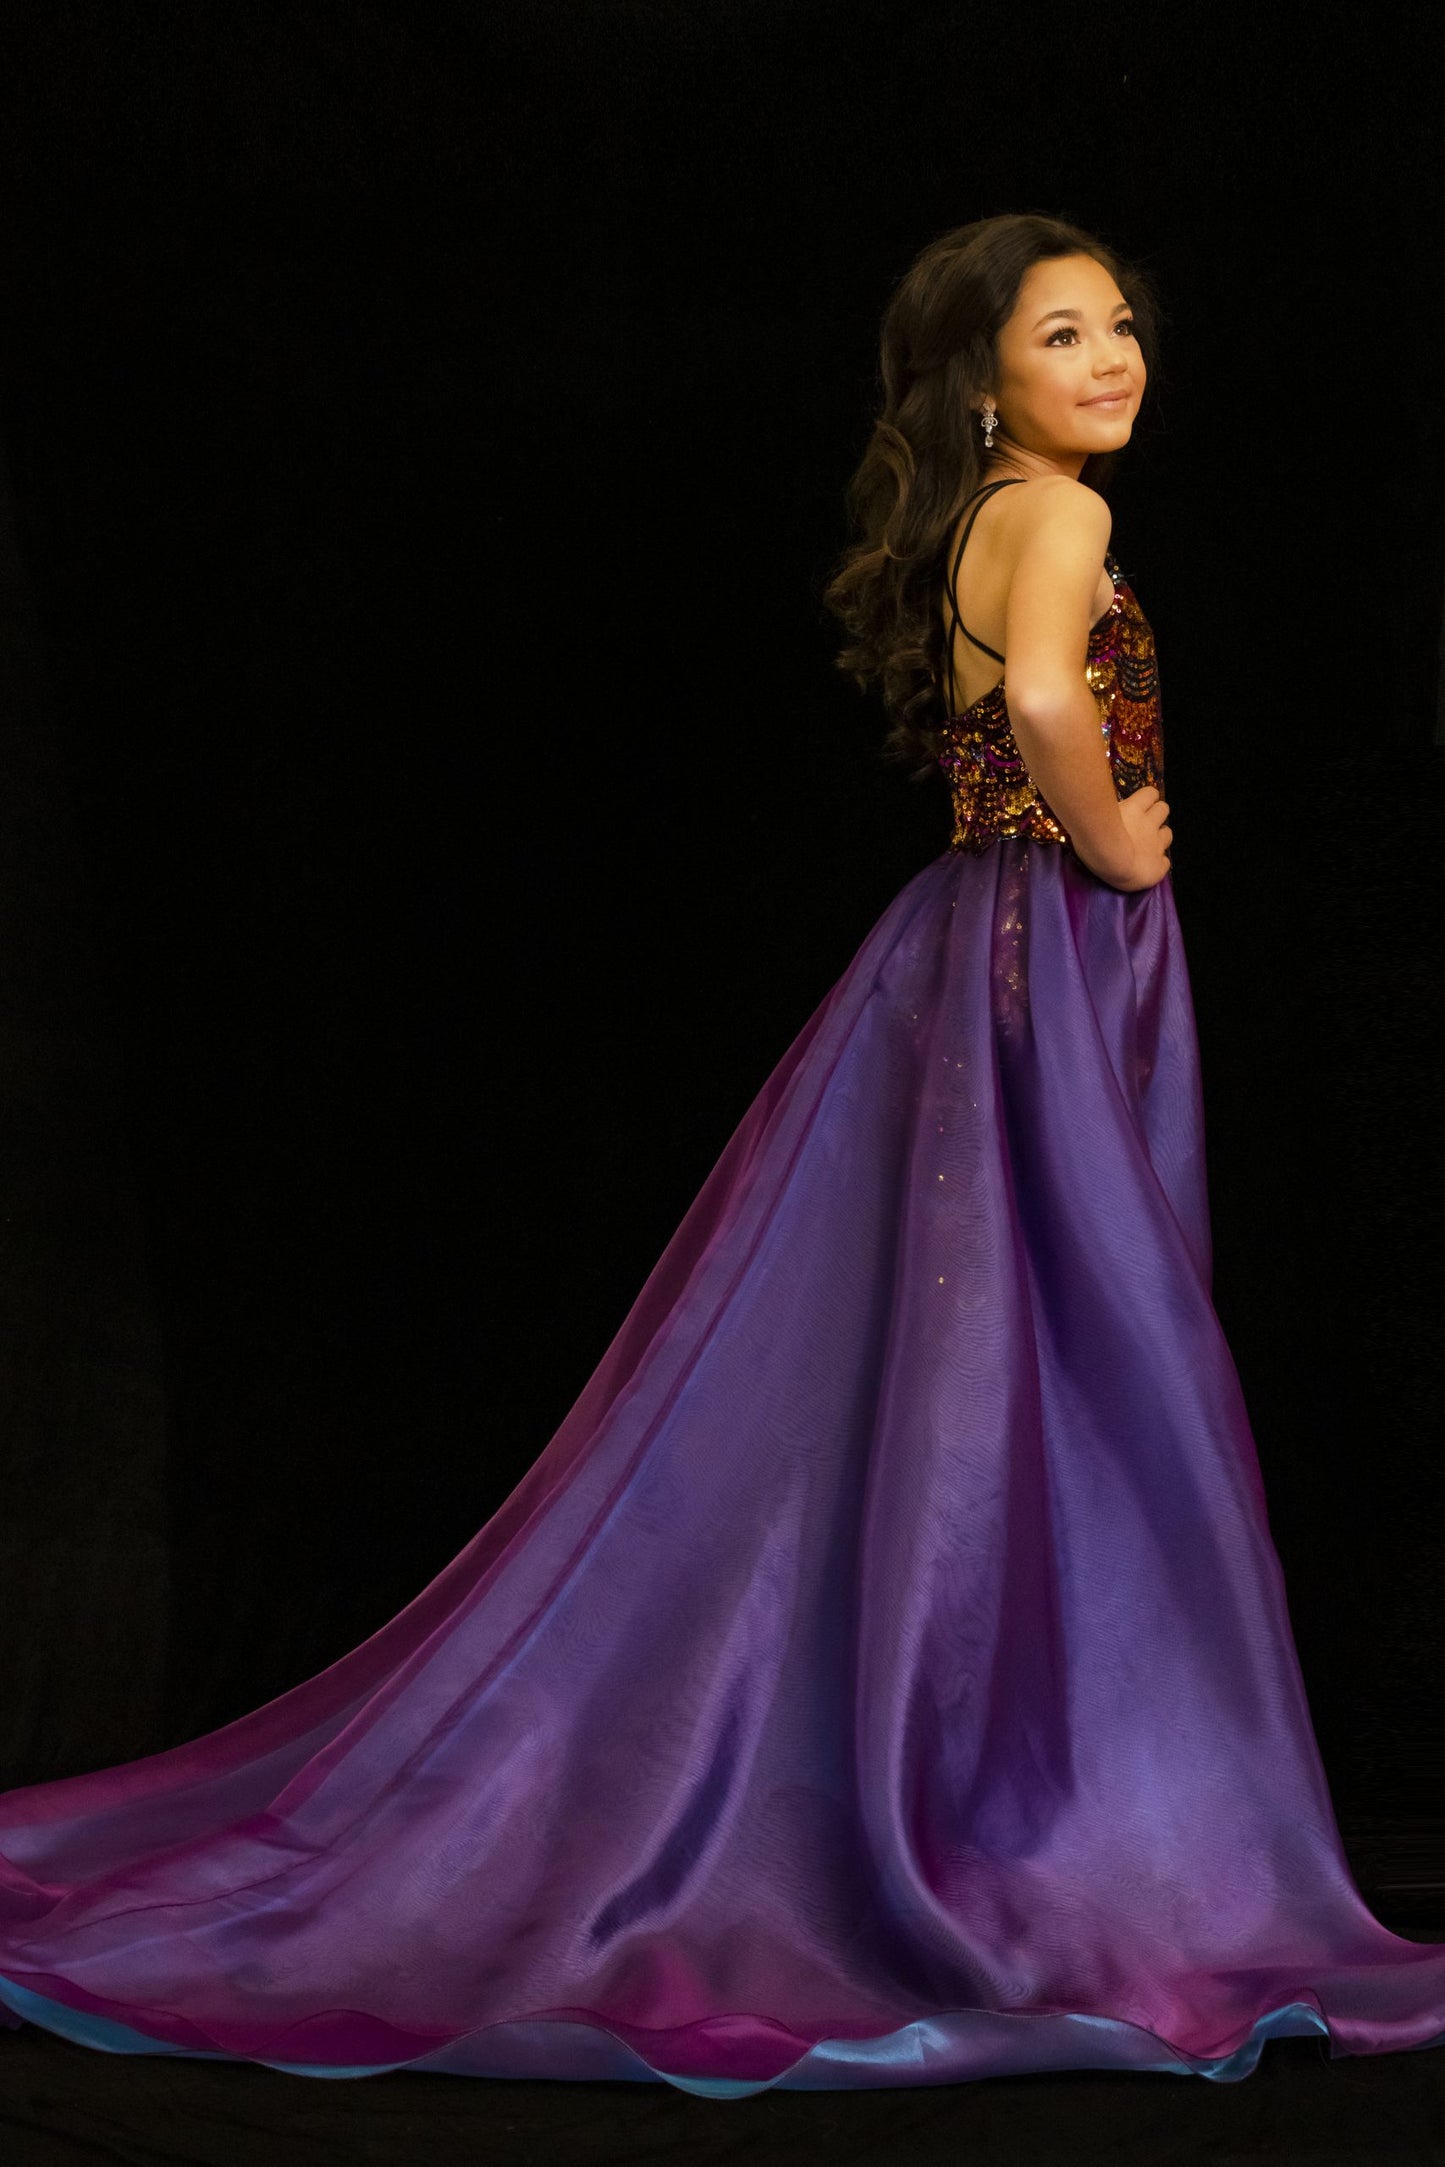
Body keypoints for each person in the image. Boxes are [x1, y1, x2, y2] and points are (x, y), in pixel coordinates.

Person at [0, 212, 1441, 2101]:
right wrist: (1115, 837)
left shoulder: (986, 512)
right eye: (1058, 336)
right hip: (1051, 939)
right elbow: (1033, 704)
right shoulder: (1060, 517)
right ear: (979, 379)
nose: (1109, 362)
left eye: (1117, 328)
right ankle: (1048, 1795)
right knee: (1077, 1344)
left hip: (975, 947)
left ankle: (984, 1758)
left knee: (982, 1345)